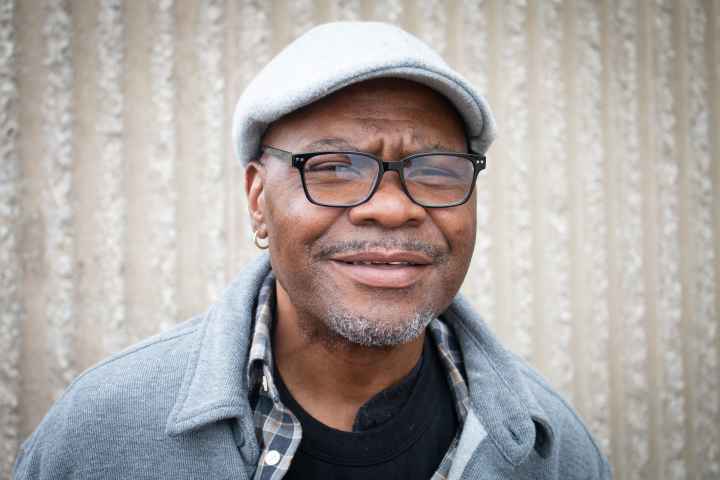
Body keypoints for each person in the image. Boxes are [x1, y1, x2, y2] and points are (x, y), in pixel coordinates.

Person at [13, 22, 611, 479]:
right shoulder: (101, 433)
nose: (394, 207)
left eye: (433, 170)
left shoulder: (553, 449)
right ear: (257, 199)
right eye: (332, 167)